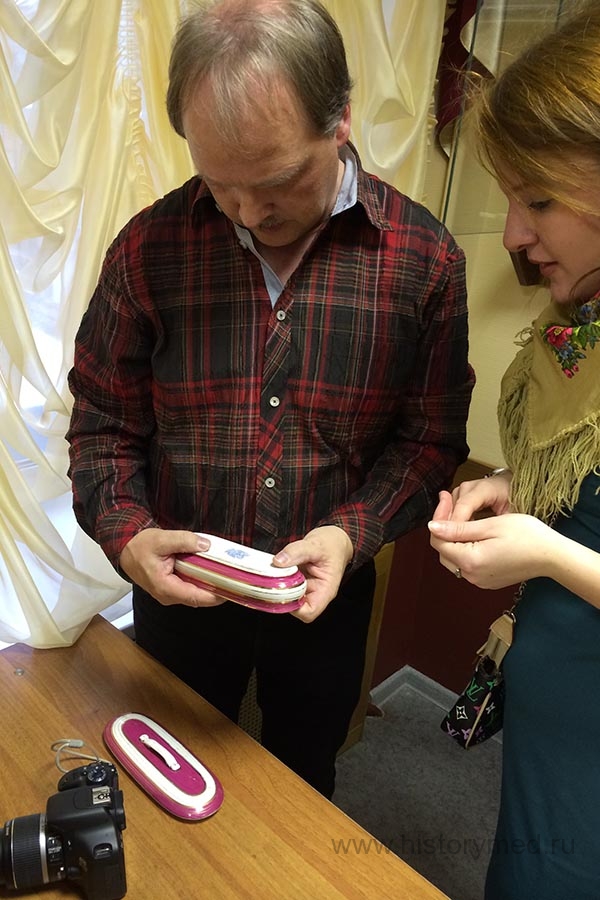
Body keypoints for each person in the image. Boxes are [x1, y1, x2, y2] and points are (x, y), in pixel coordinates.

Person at [67, 0, 473, 799]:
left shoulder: (425, 263)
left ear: (341, 119)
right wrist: (127, 534)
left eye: (279, 181)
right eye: (221, 187)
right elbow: (102, 424)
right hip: (179, 593)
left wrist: (351, 533)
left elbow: (429, 441)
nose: (250, 215)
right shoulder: (149, 248)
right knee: (168, 781)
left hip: (328, 596)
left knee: (303, 784)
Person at [428, 4, 600, 897]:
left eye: (538, 200)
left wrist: (547, 554)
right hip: (556, 712)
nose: (514, 237)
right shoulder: (583, 327)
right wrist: (510, 483)